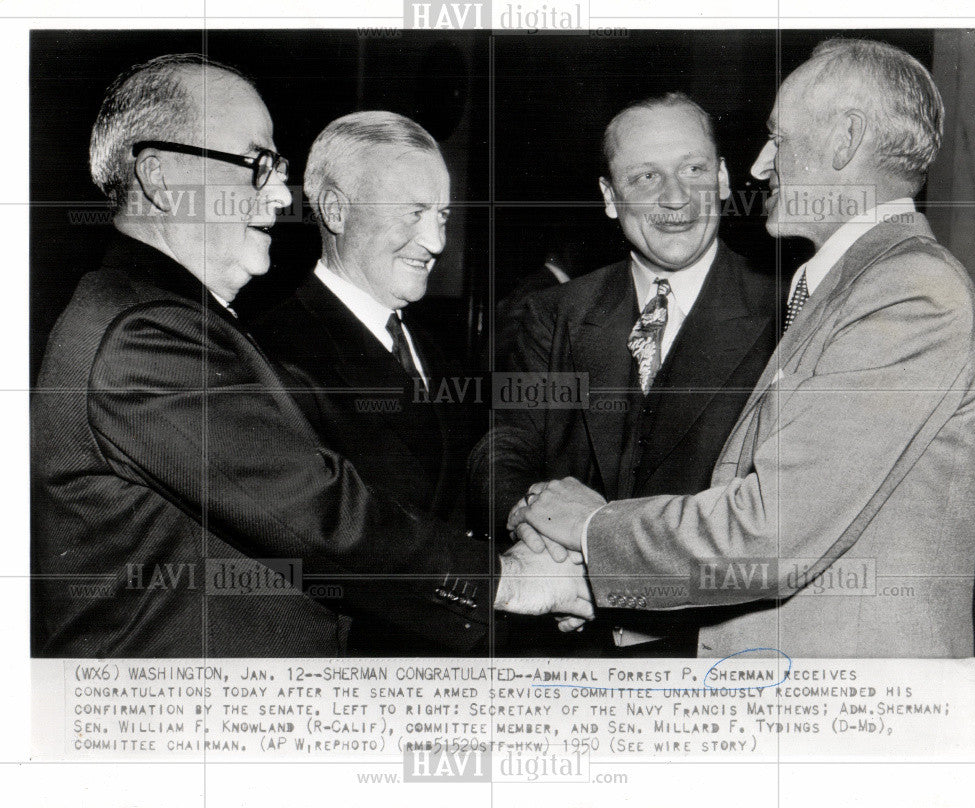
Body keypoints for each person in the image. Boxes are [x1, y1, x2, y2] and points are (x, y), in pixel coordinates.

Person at [31, 54, 589, 658]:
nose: (279, 194)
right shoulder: (143, 337)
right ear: (161, 180)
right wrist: (512, 579)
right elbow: (323, 514)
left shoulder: (159, 316)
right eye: (256, 164)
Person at [502, 38, 975, 658]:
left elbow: (771, 533)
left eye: (778, 139)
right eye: (645, 176)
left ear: (845, 140)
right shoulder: (849, 287)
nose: (762, 165)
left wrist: (590, 528)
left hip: (841, 716)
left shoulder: (908, 293)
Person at [471, 93, 776, 655]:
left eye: (693, 169)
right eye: (644, 177)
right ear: (610, 198)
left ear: (725, 178)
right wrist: (532, 521)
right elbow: (503, 445)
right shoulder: (556, 313)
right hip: (570, 647)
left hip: (714, 651)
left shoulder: (786, 315)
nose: (675, 198)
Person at [250, 112, 481, 654]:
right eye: (414, 213)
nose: (435, 241)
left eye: (442, 216)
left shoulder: (439, 349)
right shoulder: (272, 350)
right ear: (335, 210)